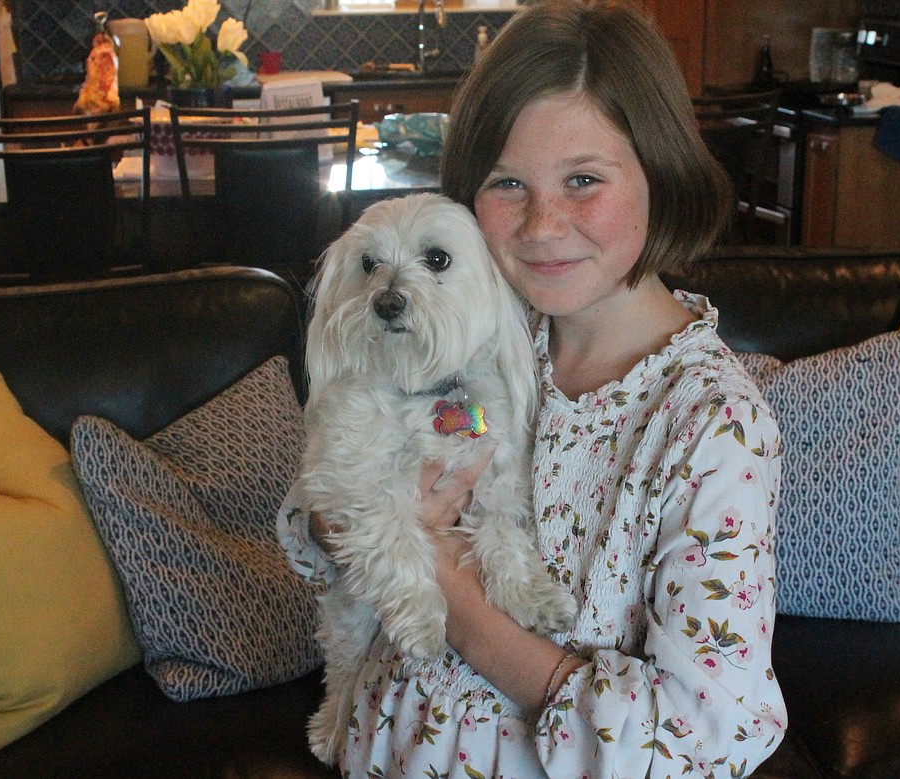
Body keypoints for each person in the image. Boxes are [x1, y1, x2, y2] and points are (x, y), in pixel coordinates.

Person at [278, 0, 787, 775]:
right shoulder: (468, 321)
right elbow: (313, 515)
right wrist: (342, 519)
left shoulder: (712, 426)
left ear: (661, 170)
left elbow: (697, 741)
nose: (543, 224)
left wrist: (458, 602)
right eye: (508, 182)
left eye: (583, 179)